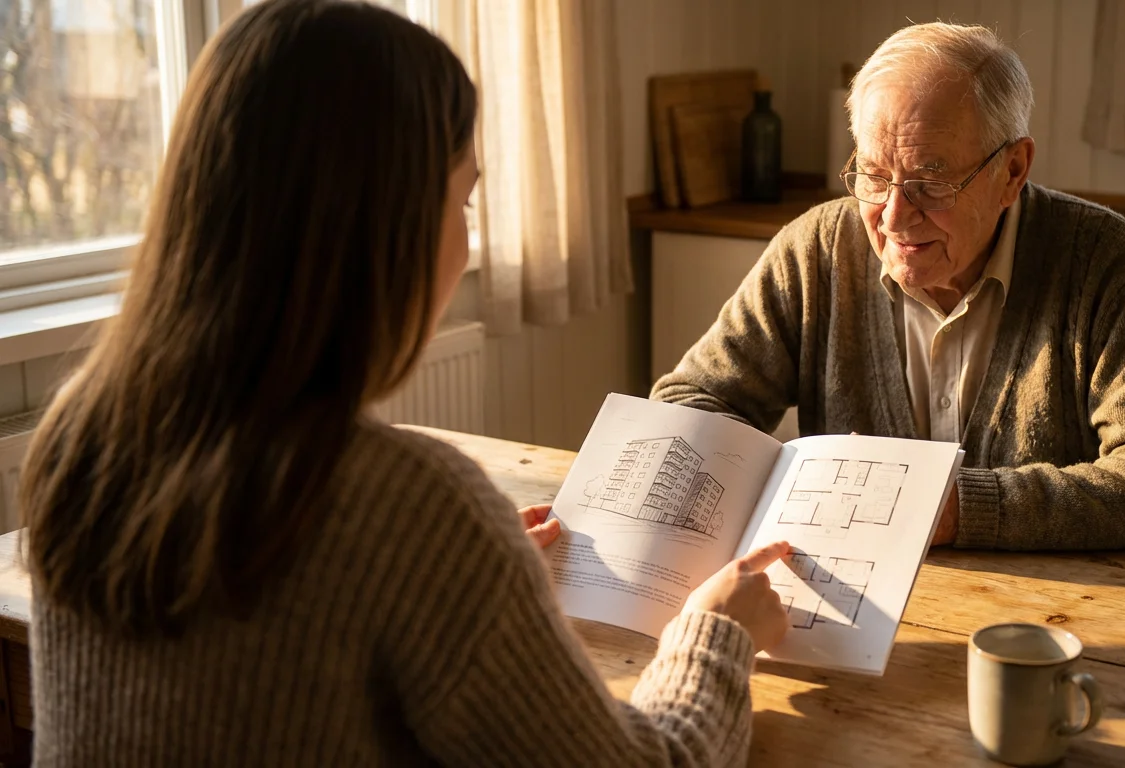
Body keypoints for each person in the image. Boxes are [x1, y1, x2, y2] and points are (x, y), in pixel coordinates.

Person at [19, 1, 788, 764]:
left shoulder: (79, 436)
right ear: (387, 225)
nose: (465, 231)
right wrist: (716, 637)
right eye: (463, 199)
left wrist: (473, 579)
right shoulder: (413, 508)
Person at [651, 22, 1125, 552]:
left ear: (1013, 170)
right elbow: (685, 407)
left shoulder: (1106, 261)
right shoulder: (815, 250)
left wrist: (958, 508)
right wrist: (780, 477)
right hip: (848, 610)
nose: (894, 216)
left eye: (930, 180)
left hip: (1044, 622)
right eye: (874, 175)